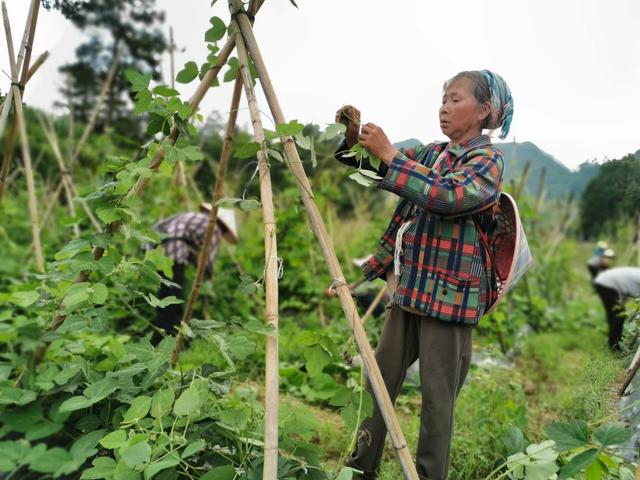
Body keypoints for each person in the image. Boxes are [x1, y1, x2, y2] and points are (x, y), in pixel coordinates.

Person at [335, 70, 513, 479]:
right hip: (412, 290)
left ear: (484, 110)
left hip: (450, 299)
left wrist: (393, 157)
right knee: (379, 381)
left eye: (455, 99)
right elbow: (378, 169)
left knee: (437, 399)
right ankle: (360, 467)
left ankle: (430, 475)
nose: (444, 107)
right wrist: (352, 138)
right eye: (443, 99)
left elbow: (447, 196)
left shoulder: (486, 160)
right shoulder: (433, 153)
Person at [149, 203, 239, 345]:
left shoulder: (192, 217)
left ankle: (159, 338)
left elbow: (182, 241)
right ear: (223, 226)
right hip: (174, 253)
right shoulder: (213, 227)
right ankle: (169, 340)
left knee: (165, 298)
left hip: (158, 251)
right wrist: (209, 275)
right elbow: (208, 259)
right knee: (173, 300)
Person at [593, 267, 640, 351]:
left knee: (615, 314)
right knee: (618, 315)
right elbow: (634, 293)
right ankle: (614, 345)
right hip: (606, 284)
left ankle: (615, 341)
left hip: (605, 282)